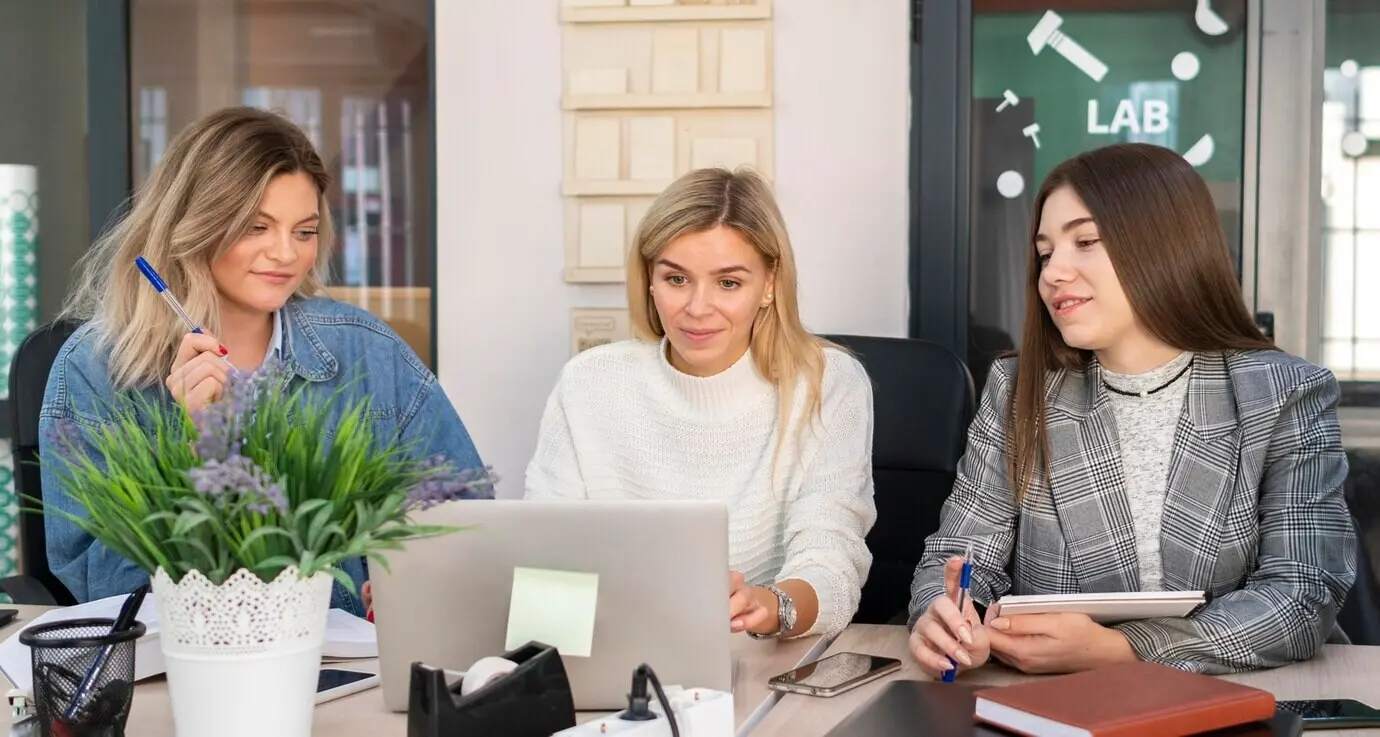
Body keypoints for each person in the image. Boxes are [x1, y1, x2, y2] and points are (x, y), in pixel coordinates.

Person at [908, 142, 1356, 677]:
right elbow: (958, 557)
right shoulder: (1018, 388)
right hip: (1052, 710)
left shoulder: (1283, 392)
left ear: (1164, 245)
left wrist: (1124, 650)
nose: (1053, 273)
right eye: (1046, 252)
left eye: (1086, 241)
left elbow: (1302, 593)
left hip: (1236, 699)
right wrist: (948, 618)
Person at [38, 106, 486, 616]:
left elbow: (465, 515)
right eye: (257, 226)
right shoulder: (97, 370)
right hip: (190, 672)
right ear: (195, 225)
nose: (287, 254)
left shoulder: (368, 351)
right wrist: (200, 447)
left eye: (304, 231)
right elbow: (105, 589)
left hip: (356, 665)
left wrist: (406, 578)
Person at [523, 167, 877, 640]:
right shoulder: (589, 383)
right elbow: (542, 556)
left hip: (761, 662)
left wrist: (772, 606)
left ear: (770, 283)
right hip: (614, 654)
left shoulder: (826, 383)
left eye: (728, 283)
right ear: (650, 278)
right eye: (676, 279)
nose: (696, 307)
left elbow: (832, 557)